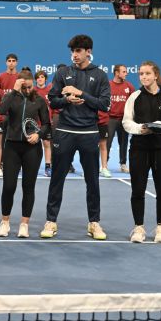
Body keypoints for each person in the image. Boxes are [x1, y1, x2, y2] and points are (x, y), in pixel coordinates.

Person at [41, 35, 111, 240]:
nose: (74, 55)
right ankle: (51, 221)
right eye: (72, 51)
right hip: (64, 132)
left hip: (89, 133)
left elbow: (105, 104)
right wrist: (66, 99)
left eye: (78, 51)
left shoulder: (99, 75)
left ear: (88, 51)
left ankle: (94, 223)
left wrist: (80, 93)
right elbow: (53, 101)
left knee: (92, 181)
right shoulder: (63, 72)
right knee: (57, 179)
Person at [123, 61, 161, 243]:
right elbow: (126, 122)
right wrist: (141, 129)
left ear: (156, 75)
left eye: (147, 73)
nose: (143, 77)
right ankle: (138, 228)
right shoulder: (135, 96)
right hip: (139, 149)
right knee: (137, 189)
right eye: (141, 74)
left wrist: (159, 127)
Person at [0, 70, 51, 238]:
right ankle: (5, 222)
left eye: (29, 87)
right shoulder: (11, 98)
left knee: (28, 187)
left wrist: (39, 135)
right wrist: (14, 91)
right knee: (8, 187)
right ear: (19, 84)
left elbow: (47, 124)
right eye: (24, 87)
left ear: (33, 84)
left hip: (32, 149)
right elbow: (1, 110)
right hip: (12, 147)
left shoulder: (40, 100)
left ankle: (24, 224)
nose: (27, 90)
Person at [106, 64, 135, 173]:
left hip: (124, 120)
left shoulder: (129, 86)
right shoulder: (108, 85)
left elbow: (133, 103)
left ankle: (123, 164)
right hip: (111, 119)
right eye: (123, 71)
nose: (126, 73)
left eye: (126, 71)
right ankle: (104, 164)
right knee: (107, 142)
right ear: (117, 73)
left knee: (123, 143)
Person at [34, 70, 53, 177]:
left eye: (42, 77)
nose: (40, 79)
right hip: (34, 123)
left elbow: (53, 106)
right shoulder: (33, 91)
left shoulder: (50, 91)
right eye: (38, 77)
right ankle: (32, 166)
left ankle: (47, 167)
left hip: (46, 123)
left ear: (45, 79)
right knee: (33, 145)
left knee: (46, 144)